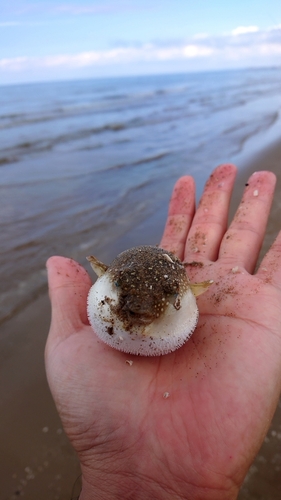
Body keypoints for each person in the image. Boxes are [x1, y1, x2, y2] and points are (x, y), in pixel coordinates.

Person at [45, 163, 281, 500]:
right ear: (108, 279)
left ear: (184, 294)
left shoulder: (179, 291)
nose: (139, 318)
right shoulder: (114, 289)